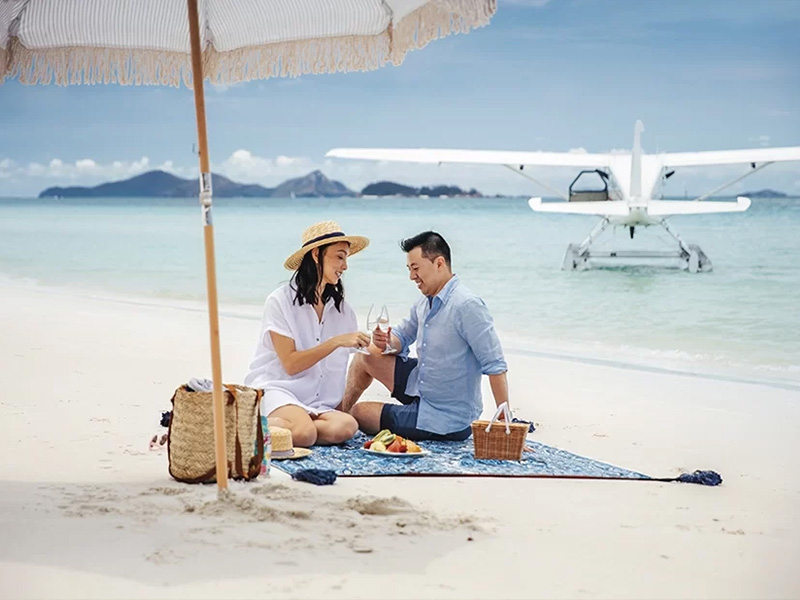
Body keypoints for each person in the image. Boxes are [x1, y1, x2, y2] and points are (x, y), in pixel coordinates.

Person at [341, 231, 509, 441]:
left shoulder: (467, 306)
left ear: (439, 263)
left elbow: (495, 365)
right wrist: (386, 342)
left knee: (359, 413)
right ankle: (337, 415)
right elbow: (401, 336)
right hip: (421, 385)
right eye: (409, 269)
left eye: (416, 268)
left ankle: (346, 418)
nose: (412, 276)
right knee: (367, 353)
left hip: (444, 418)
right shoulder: (425, 300)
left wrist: (505, 426)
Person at [244, 220, 371, 447]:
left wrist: (378, 342)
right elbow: (291, 364)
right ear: (316, 254)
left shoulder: (343, 311)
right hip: (279, 389)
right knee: (304, 434)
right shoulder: (280, 301)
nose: (345, 266)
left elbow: (356, 357)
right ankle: (243, 425)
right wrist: (335, 342)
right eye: (340, 257)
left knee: (347, 426)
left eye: (346, 258)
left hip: (317, 403)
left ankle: (282, 428)